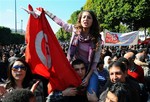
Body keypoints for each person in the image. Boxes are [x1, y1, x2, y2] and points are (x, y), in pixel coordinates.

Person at [45, 10, 102, 96]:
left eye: (89, 17)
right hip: (73, 69)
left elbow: (95, 62)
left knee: (91, 98)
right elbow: (61, 23)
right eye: (84, 17)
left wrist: (87, 77)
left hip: (90, 71)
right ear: (80, 20)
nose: (86, 19)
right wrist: (46, 12)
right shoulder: (75, 30)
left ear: (92, 21)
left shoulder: (97, 39)